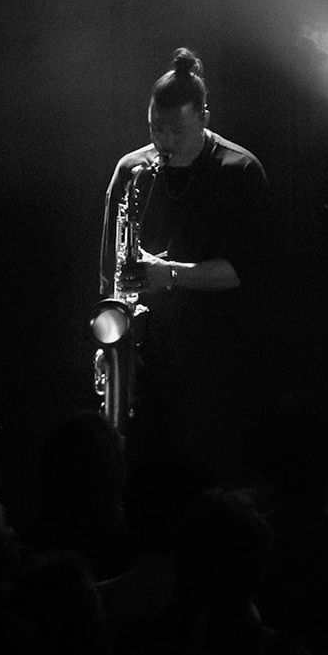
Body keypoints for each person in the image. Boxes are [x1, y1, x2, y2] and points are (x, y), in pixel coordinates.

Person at [100, 48, 269, 476]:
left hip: (213, 361)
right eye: (156, 127)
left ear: (204, 117)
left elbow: (242, 271)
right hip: (142, 355)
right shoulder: (132, 169)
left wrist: (167, 275)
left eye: (177, 129)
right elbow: (108, 271)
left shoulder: (239, 171)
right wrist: (108, 345)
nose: (165, 141)